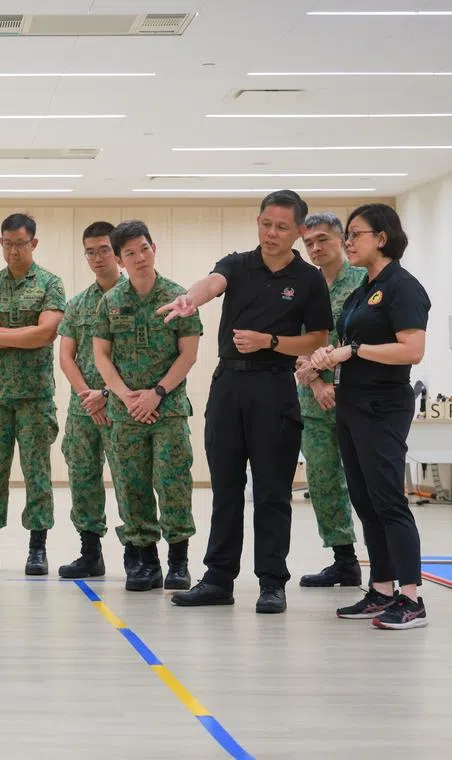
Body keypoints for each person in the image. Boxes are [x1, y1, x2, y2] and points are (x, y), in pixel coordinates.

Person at [161, 190, 332, 614]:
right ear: (258, 222)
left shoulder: (308, 280)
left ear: (297, 231)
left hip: (274, 388)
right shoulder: (237, 264)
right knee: (225, 488)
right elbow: (212, 283)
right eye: (266, 224)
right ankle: (218, 578)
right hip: (228, 388)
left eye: (282, 228)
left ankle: (272, 582)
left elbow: (317, 340)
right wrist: (190, 299)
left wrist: (269, 341)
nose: (272, 233)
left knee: (273, 492)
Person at [311, 203, 431, 629]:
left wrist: (355, 351)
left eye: (356, 234)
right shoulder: (364, 289)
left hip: (383, 405)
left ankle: (411, 598)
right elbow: (350, 342)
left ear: (382, 237)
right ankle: (381, 589)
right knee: (364, 501)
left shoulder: (403, 287)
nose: (348, 242)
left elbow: (412, 350)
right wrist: (330, 355)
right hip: (352, 403)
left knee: (388, 501)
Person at [93, 221, 202, 591]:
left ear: (154, 248)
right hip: (126, 412)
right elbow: (102, 356)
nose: (140, 258)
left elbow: (188, 355)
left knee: (172, 483)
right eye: (130, 253)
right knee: (131, 484)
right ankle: (143, 560)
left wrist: (157, 392)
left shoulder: (178, 297)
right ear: (120, 261)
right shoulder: (111, 301)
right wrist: (125, 396)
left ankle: (178, 560)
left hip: (167, 409)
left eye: (144, 248)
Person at [0, 213, 66, 576]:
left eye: (20, 243)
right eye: (6, 243)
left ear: (34, 244)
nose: (12, 250)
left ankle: (37, 549)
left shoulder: (50, 284)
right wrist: (3, 336)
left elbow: (45, 334)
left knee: (37, 473)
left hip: (35, 397)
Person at [293, 212, 365, 587]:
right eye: (309, 243)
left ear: (342, 239)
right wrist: (318, 383)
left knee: (366, 481)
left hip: (359, 396)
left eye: (323, 239)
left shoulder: (365, 281)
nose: (316, 248)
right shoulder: (305, 285)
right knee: (322, 478)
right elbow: (296, 340)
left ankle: (386, 562)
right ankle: (344, 558)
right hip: (314, 399)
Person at [57, 221, 127, 579]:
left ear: (117, 251)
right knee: (83, 476)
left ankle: (139, 554)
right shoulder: (78, 303)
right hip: (83, 407)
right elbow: (66, 355)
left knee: (129, 477)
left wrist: (106, 394)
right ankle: (90, 552)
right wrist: (88, 395)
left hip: (123, 404)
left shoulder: (134, 296)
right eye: (90, 251)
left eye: (103, 249)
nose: (97, 258)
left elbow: (140, 357)